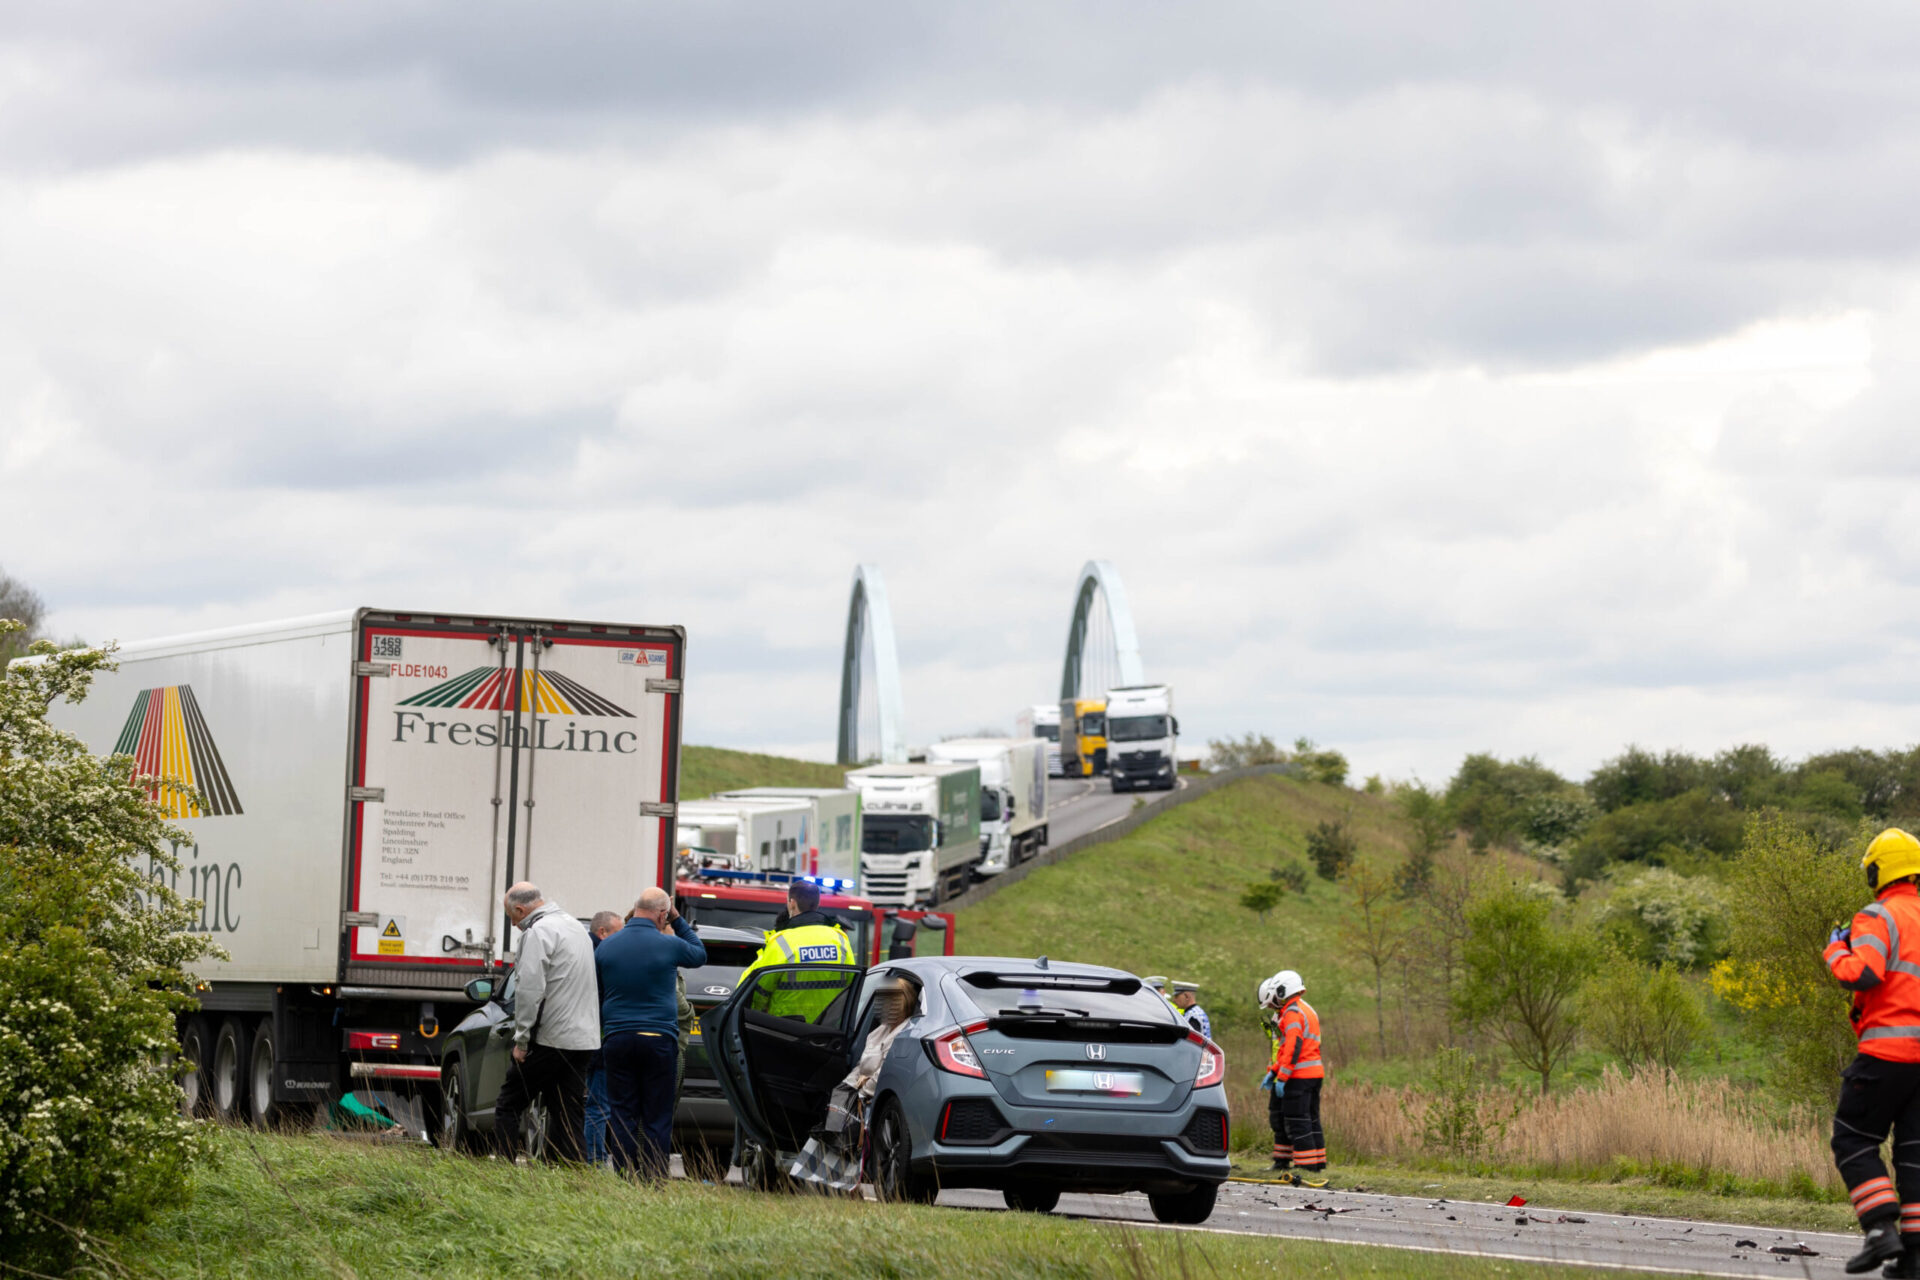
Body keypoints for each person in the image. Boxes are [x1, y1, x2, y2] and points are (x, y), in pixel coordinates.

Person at [1824, 828, 1920, 1276]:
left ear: (1877, 870)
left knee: (1853, 1139)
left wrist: (1834, 950)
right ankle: (1914, 1258)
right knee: (1914, 1155)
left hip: (1886, 1053)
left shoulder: (1877, 916)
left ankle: (1880, 1229)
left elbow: (1862, 973)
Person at [596, 886, 706, 1179]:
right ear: (662, 914)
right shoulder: (668, 945)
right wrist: (678, 920)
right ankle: (654, 1177)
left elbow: (599, 992)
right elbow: (699, 953)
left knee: (622, 1112)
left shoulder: (607, 946)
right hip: (659, 1039)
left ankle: (624, 1176)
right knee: (657, 1114)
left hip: (618, 1037)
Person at [494, 881, 600, 1164]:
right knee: (568, 1110)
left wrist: (522, 1040)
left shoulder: (537, 932)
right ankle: (574, 1172)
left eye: (512, 918)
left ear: (520, 909)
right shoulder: (576, 927)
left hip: (551, 1037)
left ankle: (502, 1169)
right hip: (584, 1039)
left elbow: (530, 990)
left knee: (509, 1103)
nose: (515, 925)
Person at [790, 972, 920, 1191]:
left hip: (876, 1098)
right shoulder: (878, 1032)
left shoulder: (906, 1033)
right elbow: (860, 1068)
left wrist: (862, 1087)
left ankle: (837, 1183)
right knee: (835, 1116)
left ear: (905, 1002)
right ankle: (815, 1180)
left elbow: (888, 1074)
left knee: (850, 1124)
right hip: (860, 1093)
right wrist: (847, 1089)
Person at [737, 880, 856, 1020]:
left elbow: (756, 988)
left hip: (785, 1031)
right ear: (817, 904)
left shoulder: (781, 942)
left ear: (792, 903)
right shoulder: (840, 939)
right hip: (829, 1031)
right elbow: (852, 984)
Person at [1259, 969, 1326, 1187]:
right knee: (1310, 1119)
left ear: (1282, 990)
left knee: (1297, 1121)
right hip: (1313, 1074)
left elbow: (1292, 1047)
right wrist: (1274, 1070)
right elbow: (1289, 1047)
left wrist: (1282, 1076)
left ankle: (1306, 1166)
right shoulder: (1304, 1009)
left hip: (1299, 1076)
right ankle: (1316, 1163)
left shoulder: (1292, 1013)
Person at [583, 910, 624, 1166]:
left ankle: (591, 1159)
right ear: (603, 933)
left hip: (587, 1039)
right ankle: (595, 1162)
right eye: (618, 934)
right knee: (599, 1107)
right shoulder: (600, 957)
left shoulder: (585, 951)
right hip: (600, 1041)